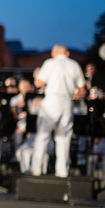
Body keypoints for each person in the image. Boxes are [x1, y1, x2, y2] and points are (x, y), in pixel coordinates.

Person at [31, 44, 85, 177]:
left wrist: (36, 76)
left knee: (43, 136)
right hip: (67, 102)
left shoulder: (50, 63)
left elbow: (39, 83)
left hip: (52, 101)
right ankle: (62, 171)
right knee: (64, 138)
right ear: (67, 53)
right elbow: (82, 89)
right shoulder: (74, 65)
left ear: (53, 53)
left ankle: (36, 169)